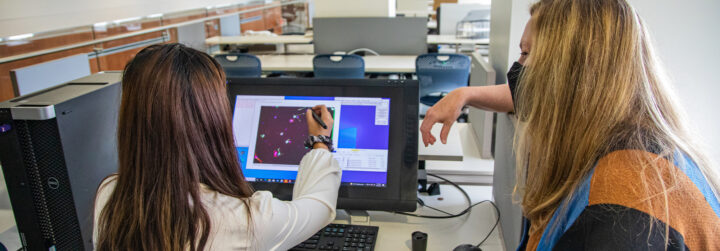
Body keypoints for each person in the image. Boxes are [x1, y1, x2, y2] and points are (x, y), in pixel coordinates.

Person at [421, 0, 720, 250]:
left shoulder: (622, 215)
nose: (518, 75)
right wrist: (466, 94)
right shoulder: (636, 144)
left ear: (567, 78)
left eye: (526, 54)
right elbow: (526, 93)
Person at [93, 43, 341, 250]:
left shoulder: (110, 196)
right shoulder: (243, 219)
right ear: (212, 116)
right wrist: (320, 142)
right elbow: (317, 206)